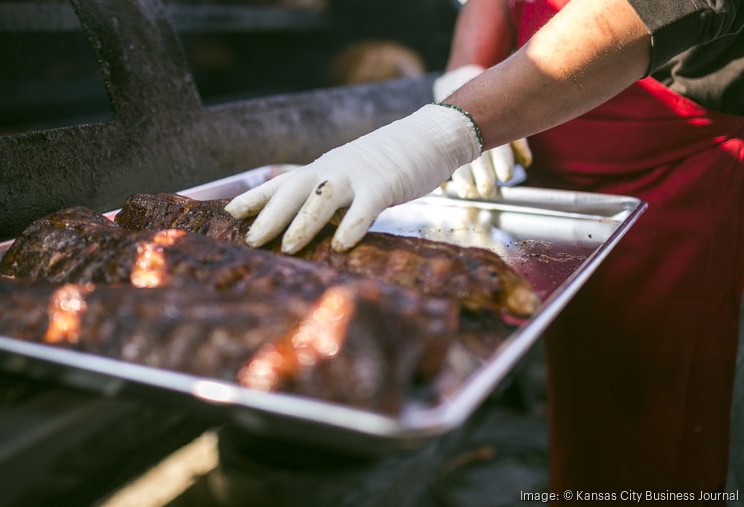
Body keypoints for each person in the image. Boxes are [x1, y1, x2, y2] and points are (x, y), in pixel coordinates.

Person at [225, 0, 744, 499]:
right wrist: (466, 72)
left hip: (676, 167)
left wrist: (450, 129)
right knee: (587, 393)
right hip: (550, 149)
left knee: (649, 409)